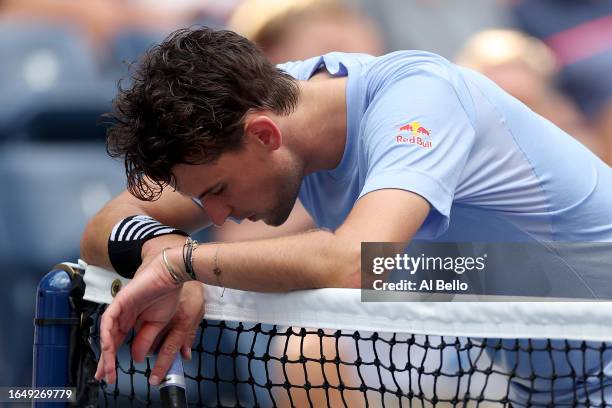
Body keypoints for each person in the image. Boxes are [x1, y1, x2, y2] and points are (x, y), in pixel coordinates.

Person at [80, 27, 612, 399]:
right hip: (517, 341)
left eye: (218, 189)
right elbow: (105, 226)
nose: (217, 214)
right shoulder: (261, 104)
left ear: (265, 136)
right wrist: (160, 249)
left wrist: (186, 263)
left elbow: (357, 264)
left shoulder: (421, 99)